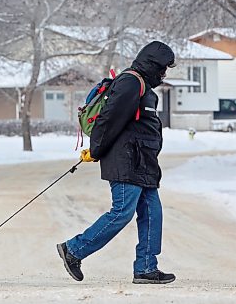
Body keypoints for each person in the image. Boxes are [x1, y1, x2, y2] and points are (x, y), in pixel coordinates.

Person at [57, 41, 176, 284]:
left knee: (153, 212)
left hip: (143, 163)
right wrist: (96, 150)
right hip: (127, 161)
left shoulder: (143, 88)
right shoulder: (130, 82)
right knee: (122, 212)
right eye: (163, 68)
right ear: (153, 64)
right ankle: (74, 250)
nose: (164, 74)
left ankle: (145, 267)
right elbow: (109, 120)